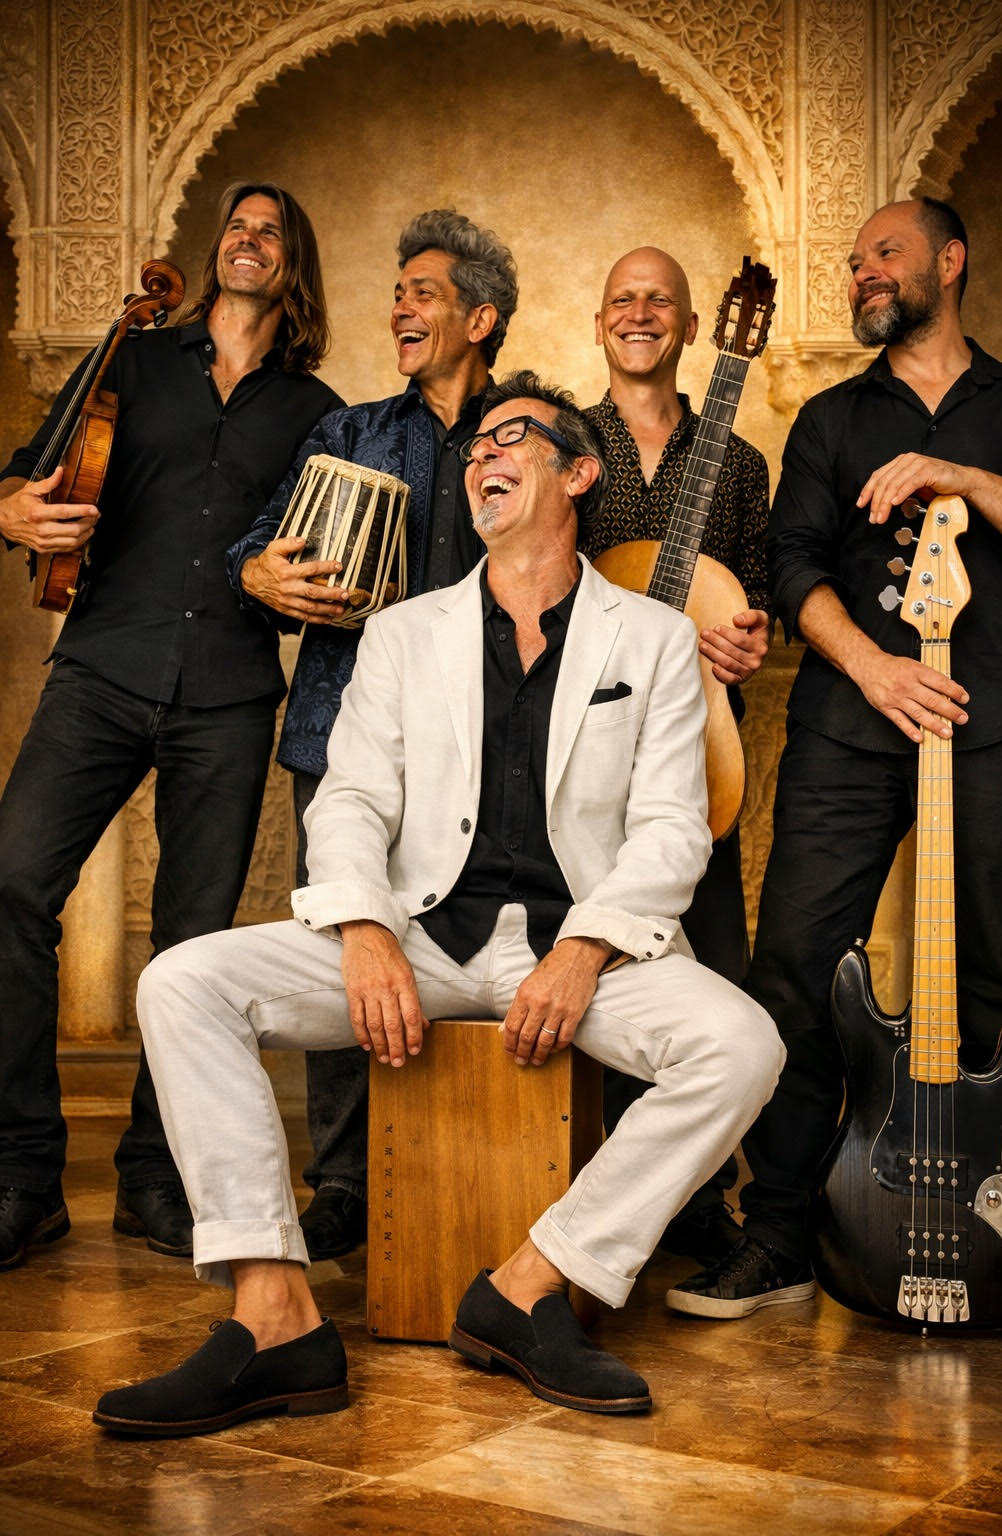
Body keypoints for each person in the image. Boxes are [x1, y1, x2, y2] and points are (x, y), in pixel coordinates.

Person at [92, 371, 784, 1436]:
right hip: (420, 936)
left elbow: (672, 829)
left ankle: (529, 1286)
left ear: (578, 473)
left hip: (577, 950)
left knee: (743, 1046)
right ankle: (275, 1315)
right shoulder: (403, 633)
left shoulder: (650, 638)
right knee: (182, 982)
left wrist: (585, 950)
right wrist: (366, 931)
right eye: (475, 448)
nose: (481, 457)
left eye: (511, 438)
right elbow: (352, 801)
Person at [668, 196, 1002, 1319]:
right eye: (856, 259)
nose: (864, 271)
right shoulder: (829, 420)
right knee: (794, 972)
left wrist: (965, 479)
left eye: (886, 253)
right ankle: (777, 1232)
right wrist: (874, 670)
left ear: (949, 262)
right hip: (847, 730)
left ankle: (998, 1226)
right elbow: (790, 566)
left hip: (999, 729)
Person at [0, 180, 340, 1270]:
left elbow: (324, 553)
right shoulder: (131, 360)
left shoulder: (318, 412)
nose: (247, 240)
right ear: (215, 251)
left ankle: (154, 1177)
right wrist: (9, 509)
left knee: (191, 945)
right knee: (10, 888)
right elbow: (28, 473)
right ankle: (21, 1176)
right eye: (236, 226)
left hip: (230, 697)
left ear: (292, 265)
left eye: (269, 232)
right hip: (102, 666)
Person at [228, 210, 518, 1262]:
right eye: (396, 292)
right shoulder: (347, 433)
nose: (400, 306)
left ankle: (482, 1169)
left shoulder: (529, 434)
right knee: (348, 943)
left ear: (479, 318)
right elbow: (258, 548)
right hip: (343, 738)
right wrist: (262, 575)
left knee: (480, 943)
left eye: (423, 292)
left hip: (487, 746)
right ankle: (346, 1181)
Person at [582, 247, 771, 1263]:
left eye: (660, 300)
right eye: (624, 298)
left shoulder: (737, 464)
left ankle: (695, 1201)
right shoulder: (567, 444)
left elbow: (758, 596)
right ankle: (588, 1187)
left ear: (700, 328)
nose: (640, 313)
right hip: (587, 752)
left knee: (714, 974)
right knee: (593, 965)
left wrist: (747, 637)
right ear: (599, 322)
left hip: (699, 755)